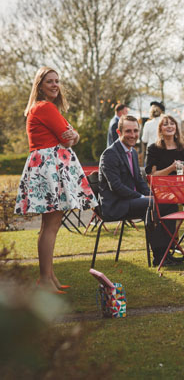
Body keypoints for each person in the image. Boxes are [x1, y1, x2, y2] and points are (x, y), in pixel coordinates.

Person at [15, 66, 97, 293]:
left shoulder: (44, 109)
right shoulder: (44, 108)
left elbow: (72, 134)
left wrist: (73, 135)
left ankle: (49, 278)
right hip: (49, 167)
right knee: (51, 225)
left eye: (57, 81)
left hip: (48, 166)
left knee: (49, 224)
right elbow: (68, 137)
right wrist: (72, 136)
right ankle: (45, 279)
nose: (54, 85)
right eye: (49, 81)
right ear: (39, 85)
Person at [99, 115, 180, 267]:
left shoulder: (133, 153)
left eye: (135, 131)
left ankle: (165, 252)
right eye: (128, 131)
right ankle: (160, 256)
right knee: (153, 204)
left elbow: (139, 181)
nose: (133, 135)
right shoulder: (110, 154)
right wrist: (143, 197)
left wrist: (151, 194)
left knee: (168, 202)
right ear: (118, 132)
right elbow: (116, 187)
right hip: (116, 205)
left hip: (131, 201)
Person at [145, 115, 184, 252]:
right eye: (165, 124)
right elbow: (152, 175)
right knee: (174, 209)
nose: (169, 126)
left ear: (176, 128)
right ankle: (173, 241)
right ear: (160, 129)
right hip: (164, 191)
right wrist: (171, 169)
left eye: (172, 123)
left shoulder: (182, 147)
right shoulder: (154, 149)